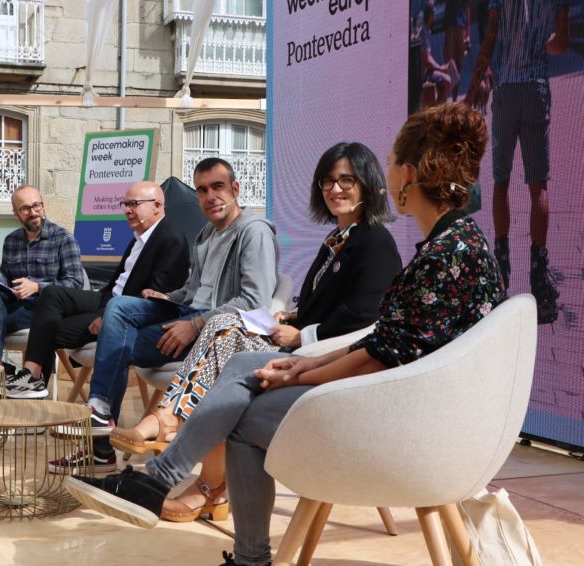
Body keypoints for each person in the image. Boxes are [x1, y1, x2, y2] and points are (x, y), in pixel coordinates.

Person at [64, 102, 506, 566]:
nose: (346, 186)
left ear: (406, 175)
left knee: (242, 413)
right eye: (329, 181)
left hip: (402, 426)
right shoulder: (457, 245)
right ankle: (162, 478)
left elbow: (381, 350)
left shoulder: (442, 255)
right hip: (408, 406)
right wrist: (303, 361)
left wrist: (302, 368)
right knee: (240, 366)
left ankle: (192, 505)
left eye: (385, 166)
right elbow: (390, 342)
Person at [109, 142, 402, 521]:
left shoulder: (374, 240)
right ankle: (195, 469)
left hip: (327, 358)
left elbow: (366, 315)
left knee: (221, 327)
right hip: (303, 344)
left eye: (347, 179)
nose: (335, 189)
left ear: (367, 182)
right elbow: (327, 305)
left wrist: (303, 335)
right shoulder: (337, 241)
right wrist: (292, 318)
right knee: (224, 342)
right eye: (328, 180)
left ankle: (175, 434)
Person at [52, 157, 279, 473]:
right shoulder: (205, 235)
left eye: (218, 187)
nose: (210, 196)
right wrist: (169, 296)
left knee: (116, 343)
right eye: (201, 190)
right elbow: (194, 289)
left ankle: (99, 446)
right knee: (120, 307)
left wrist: (194, 325)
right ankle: (101, 411)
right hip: (187, 313)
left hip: (216, 331)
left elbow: (255, 303)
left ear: (235, 189)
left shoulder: (253, 232)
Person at [4, 180, 190, 402]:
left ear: (157, 205)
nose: (127, 210)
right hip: (107, 298)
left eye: (134, 204)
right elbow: (117, 284)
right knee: (52, 293)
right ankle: (32, 375)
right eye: (125, 203)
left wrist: (108, 317)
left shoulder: (171, 239)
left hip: (124, 313)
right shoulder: (138, 239)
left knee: (47, 329)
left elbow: (154, 297)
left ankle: (32, 387)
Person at [465, 0, 569, 324]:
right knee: (538, 183)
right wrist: (539, 44)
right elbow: (560, 44)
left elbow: (490, 38)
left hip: (507, 90)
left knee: (501, 181)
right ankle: (539, 279)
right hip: (535, 87)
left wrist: (473, 88)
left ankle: (502, 272)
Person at [0, 185, 83, 370]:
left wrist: (37, 287)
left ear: (43, 205)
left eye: (36, 205)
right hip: (18, 306)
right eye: (25, 208)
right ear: (16, 213)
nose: (33, 212)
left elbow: (75, 285)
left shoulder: (63, 239)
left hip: (46, 309)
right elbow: (8, 281)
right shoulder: (11, 241)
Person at [418, 1, 454, 108]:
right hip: (425, 74)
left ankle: (438, 108)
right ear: (430, 14)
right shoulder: (423, 33)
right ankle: (437, 111)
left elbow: (429, 57)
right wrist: (441, 69)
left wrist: (440, 67)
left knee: (451, 77)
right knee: (446, 80)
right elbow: (427, 60)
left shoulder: (427, 31)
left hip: (428, 70)